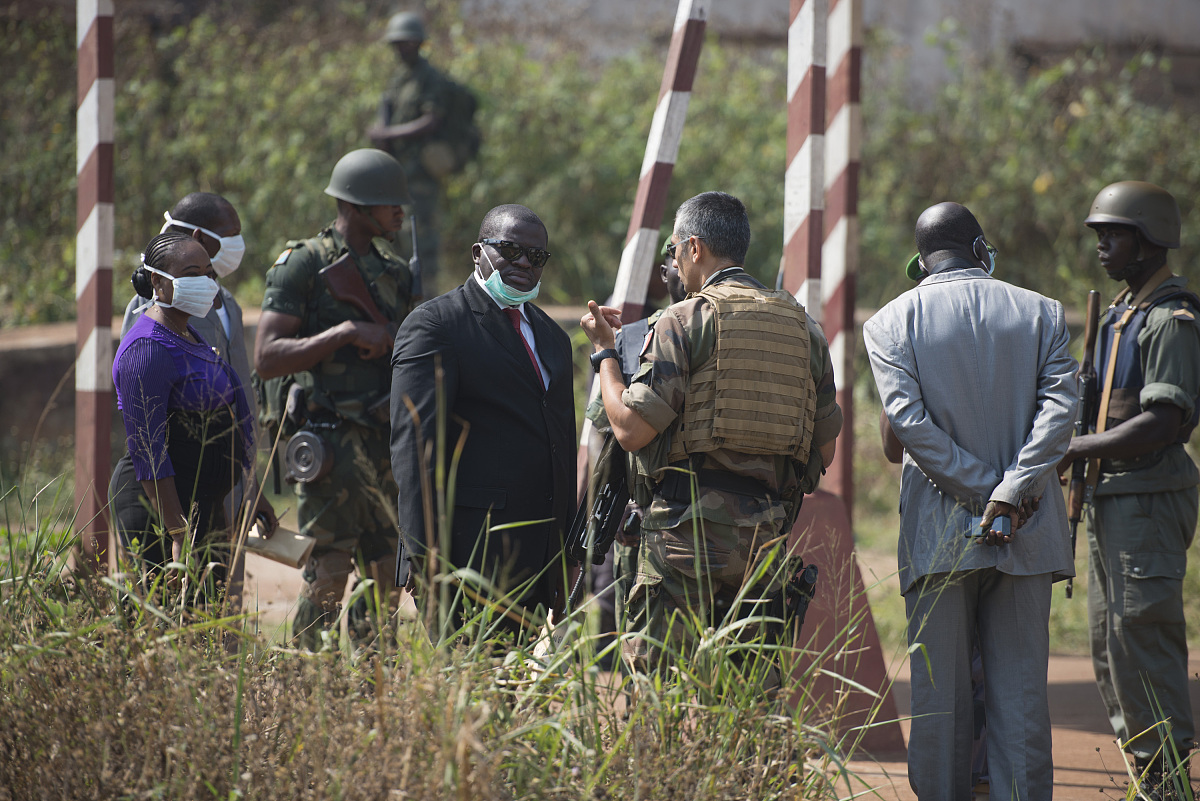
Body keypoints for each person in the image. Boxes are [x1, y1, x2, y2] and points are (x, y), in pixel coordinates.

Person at [863, 202, 1078, 801]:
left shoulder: (889, 323)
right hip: (1028, 533)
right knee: (1023, 705)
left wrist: (985, 489)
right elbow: (1061, 414)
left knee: (939, 709)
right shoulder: (1041, 312)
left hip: (938, 540)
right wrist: (1012, 490)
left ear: (924, 261)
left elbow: (906, 425)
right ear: (980, 250)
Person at [581, 191, 842, 679]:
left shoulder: (682, 320)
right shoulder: (805, 329)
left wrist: (605, 356)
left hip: (683, 539)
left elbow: (631, 429)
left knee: (659, 701)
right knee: (745, 705)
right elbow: (824, 449)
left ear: (693, 249)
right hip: (765, 541)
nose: (675, 265)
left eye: (676, 251)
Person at [1056, 181, 1198, 794]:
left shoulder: (1170, 320)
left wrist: (1079, 447)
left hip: (1148, 498)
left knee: (1145, 632)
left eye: (1112, 234)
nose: (1102, 246)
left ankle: (1169, 775)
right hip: (1112, 497)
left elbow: (1165, 419)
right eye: (1098, 235)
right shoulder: (1122, 312)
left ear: (1147, 238)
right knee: (1110, 642)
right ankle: (1148, 772)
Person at [390, 204, 576, 637]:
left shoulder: (552, 338)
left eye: (536, 256)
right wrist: (423, 556)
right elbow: (415, 451)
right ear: (478, 252)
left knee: (513, 698)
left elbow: (560, 447)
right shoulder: (437, 325)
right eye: (510, 250)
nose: (524, 264)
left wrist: (563, 557)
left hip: (536, 559)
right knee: (470, 697)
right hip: (465, 560)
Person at [255, 148, 415, 651]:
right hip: (331, 445)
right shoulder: (302, 263)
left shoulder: (396, 271)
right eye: (390, 203)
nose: (400, 213)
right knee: (327, 576)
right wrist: (346, 332)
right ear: (358, 204)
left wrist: (389, 336)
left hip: (385, 443)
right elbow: (267, 355)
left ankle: (372, 692)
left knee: (386, 577)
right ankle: (306, 684)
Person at [109, 231, 274, 601]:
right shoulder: (146, 350)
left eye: (207, 272)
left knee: (205, 621)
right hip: (159, 511)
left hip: (201, 507)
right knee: (160, 622)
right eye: (190, 272)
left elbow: (221, 422)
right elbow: (149, 451)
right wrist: (178, 534)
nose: (203, 282)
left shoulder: (188, 333)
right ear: (157, 281)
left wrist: (251, 491)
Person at [584, 239, 688, 659]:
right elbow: (604, 435)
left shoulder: (639, 339)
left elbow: (610, 432)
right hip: (654, 523)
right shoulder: (635, 338)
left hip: (664, 530)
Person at [368, 11, 451, 294]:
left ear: (418, 43)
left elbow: (432, 120)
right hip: (397, 172)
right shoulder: (399, 79)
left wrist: (388, 133)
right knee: (397, 237)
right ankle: (403, 297)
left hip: (420, 176)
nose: (401, 48)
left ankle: (426, 299)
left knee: (421, 238)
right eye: (397, 43)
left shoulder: (430, 78)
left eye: (406, 42)